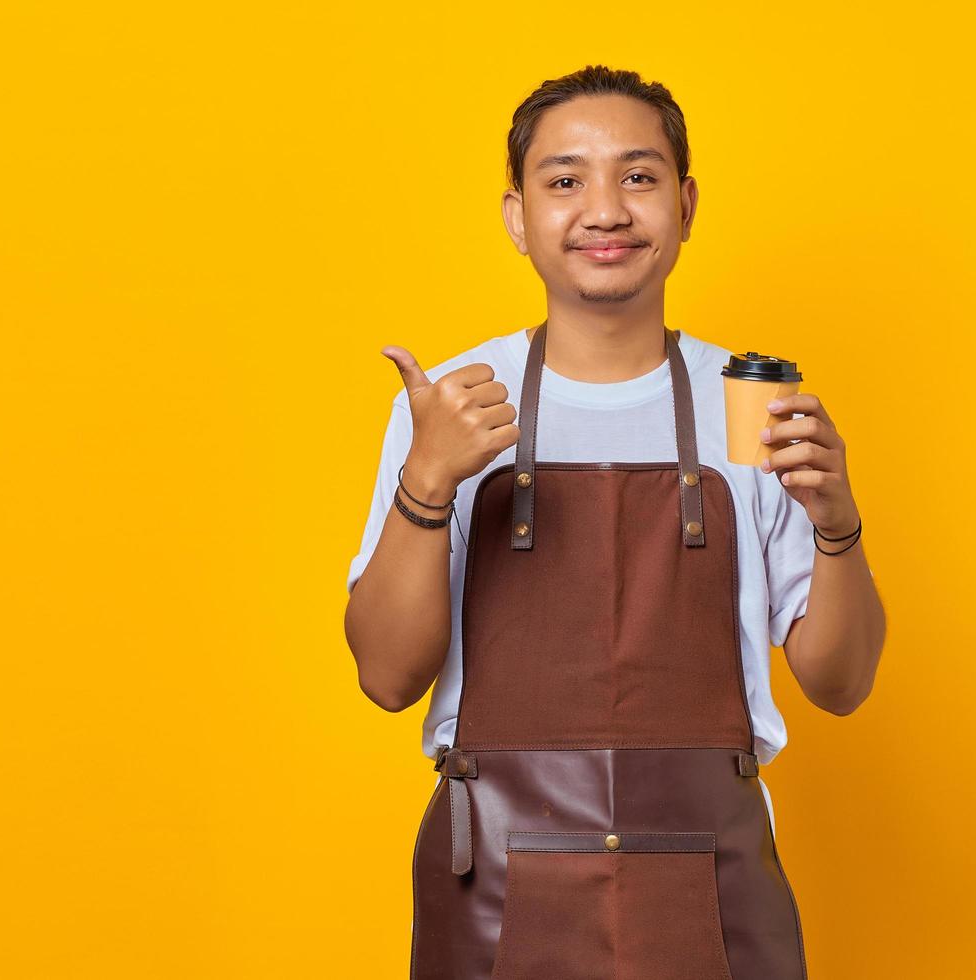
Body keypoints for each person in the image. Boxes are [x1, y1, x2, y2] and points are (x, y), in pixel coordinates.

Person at [343, 64, 885, 980]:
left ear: (686, 202)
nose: (605, 210)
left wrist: (838, 524)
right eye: (565, 181)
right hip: (497, 885)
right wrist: (427, 482)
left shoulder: (753, 405)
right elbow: (387, 678)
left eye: (638, 176)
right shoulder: (453, 405)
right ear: (518, 217)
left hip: (711, 879)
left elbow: (841, 682)